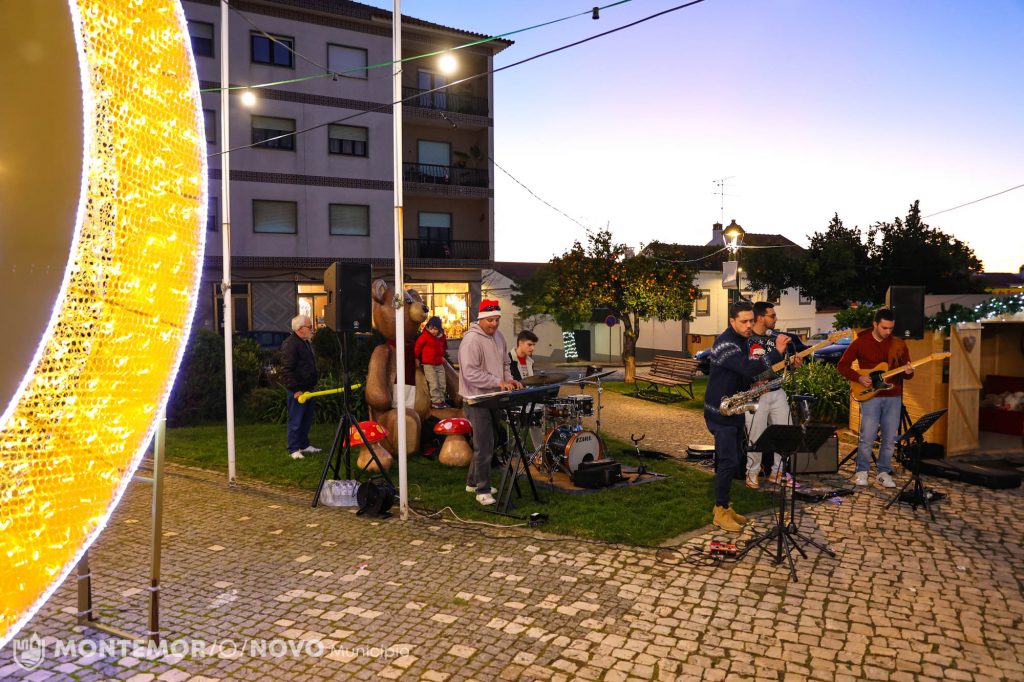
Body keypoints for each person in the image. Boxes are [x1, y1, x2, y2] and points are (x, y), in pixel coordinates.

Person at [704, 301, 790, 532]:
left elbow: (743, 374)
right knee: (727, 461)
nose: (749, 325)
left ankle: (725, 505)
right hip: (720, 411)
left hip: (734, 407)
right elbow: (747, 367)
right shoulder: (726, 344)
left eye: (751, 320)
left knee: (732, 460)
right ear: (732, 321)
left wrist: (755, 384)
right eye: (744, 321)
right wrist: (776, 353)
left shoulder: (742, 340)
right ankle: (720, 511)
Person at [837, 308, 913, 488]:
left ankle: (883, 472)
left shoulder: (899, 344)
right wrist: (858, 378)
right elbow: (842, 366)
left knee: (889, 438)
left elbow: (907, 374)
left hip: (893, 395)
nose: (888, 332)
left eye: (891, 328)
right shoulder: (860, 342)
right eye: (884, 328)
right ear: (875, 324)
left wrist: (909, 372)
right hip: (870, 395)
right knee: (867, 436)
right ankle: (861, 471)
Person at [458, 300, 522, 505]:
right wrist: (497, 382)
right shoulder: (471, 340)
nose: (494, 324)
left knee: (491, 441)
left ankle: (472, 482)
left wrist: (509, 379)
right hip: (476, 399)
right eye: (490, 320)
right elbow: (470, 373)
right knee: (484, 445)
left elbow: (505, 364)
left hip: (494, 397)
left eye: (497, 320)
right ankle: (482, 490)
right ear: (481, 319)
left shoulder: (499, 337)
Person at [744, 302, 806, 489]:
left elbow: (781, 363)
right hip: (755, 394)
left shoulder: (775, 338)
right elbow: (745, 368)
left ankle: (778, 472)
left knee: (785, 432)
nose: (775, 319)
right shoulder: (747, 339)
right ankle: (752, 473)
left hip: (777, 390)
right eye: (772, 316)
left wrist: (793, 363)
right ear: (760, 317)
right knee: (756, 435)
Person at [280, 314, 320, 460]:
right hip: (298, 390)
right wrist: (296, 390)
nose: (312, 329)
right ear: (300, 328)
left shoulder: (305, 342)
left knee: (306, 419)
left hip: (308, 388)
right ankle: (293, 448)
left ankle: (304, 445)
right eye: (310, 327)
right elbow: (286, 370)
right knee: (296, 421)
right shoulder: (290, 344)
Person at [508, 330, 544, 452]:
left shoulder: (529, 361)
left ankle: (541, 451)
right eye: (529, 344)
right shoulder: (508, 359)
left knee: (544, 409)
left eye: (534, 345)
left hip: (528, 398)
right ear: (520, 343)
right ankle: (526, 451)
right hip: (514, 400)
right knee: (533, 411)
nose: (532, 348)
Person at [415, 316, 449, 408]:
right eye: (431, 328)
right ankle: (436, 401)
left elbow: (443, 346)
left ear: (439, 329)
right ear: (428, 327)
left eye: (435, 329)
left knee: (442, 382)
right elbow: (418, 347)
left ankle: (441, 400)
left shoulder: (441, 337)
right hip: (428, 364)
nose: (433, 331)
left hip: (439, 363)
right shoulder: (425, 336)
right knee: (434, 383)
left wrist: (442, 356)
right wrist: (416, 358)